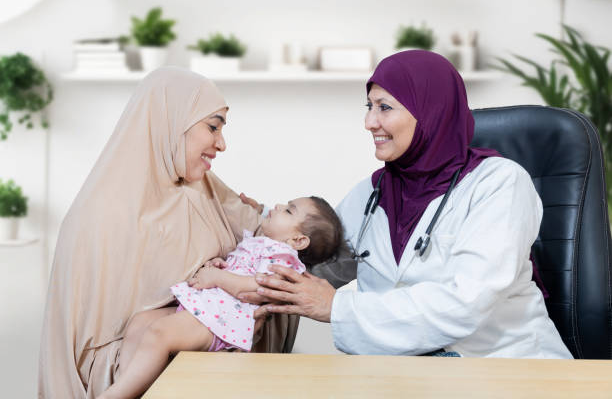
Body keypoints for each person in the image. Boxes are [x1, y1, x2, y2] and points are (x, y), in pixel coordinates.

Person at [240, 50, 573, 358]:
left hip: (505, 368)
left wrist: (337, 307)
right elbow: (314, 264)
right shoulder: (370, 195)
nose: (370, 122)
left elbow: (467, 302)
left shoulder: (498, 184)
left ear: (430, 112)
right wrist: (256, 231)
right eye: (368, 107)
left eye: (384, 107)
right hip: (406, 374)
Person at [38, 67, 300, 399]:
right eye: (212, 126)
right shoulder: (99, 217)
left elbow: (288, 243)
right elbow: (79, 359)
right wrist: (174, 342)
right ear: (169, 122)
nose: (221, 143)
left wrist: (236, 312)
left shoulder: (204, 189)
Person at [99, 196, 343, 399]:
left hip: (221, 324)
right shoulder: (262, 244)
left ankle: (116, 395)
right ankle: (129, 387)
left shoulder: (285, 260)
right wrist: (223, 266)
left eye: (289, 211)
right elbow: (242, 270)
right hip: (208, 309)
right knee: (142, 321)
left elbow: (257, 288)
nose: (277, 206)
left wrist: (217, 277)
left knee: (158, 333)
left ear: (298, 240)